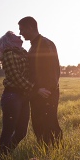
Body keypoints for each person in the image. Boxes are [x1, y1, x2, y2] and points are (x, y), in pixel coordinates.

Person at [18, 16, 63, 147]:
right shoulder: (33, 46)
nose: (20, 33)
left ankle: (58, 151)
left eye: (22, 29)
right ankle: (44, 150)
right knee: (38, 123)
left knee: (50, 122)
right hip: (37, 92)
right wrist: (36, 90)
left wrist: (47, 90)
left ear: (30, 28)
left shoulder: (45, 44)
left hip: (47, 93)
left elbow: (52, 69)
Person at [0, 31, 34, 155]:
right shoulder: (9, 54)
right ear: (10, 41)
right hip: (12, 96)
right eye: (15, 36)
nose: (19, 36)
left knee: (22, 131)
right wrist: (34, 88)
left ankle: (7, 152)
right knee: (8, 129)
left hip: (23, 95)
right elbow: (15, 77)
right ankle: (3, 157)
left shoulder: (22, 53)